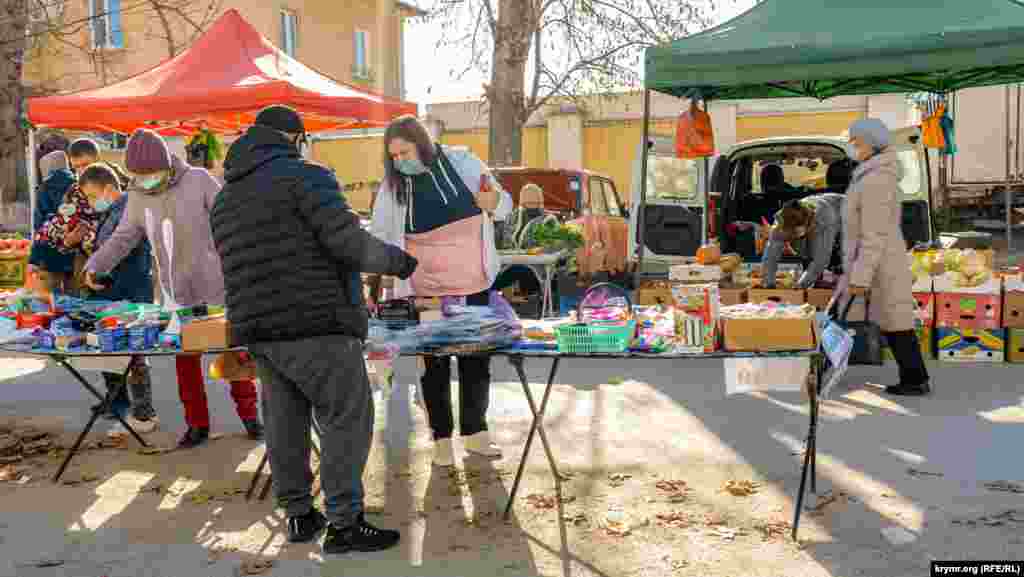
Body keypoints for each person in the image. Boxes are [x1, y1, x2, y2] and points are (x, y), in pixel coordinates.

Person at [210, 105, 418, 553]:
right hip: (316, 323)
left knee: (285, 421)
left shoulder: (227, 196)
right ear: (294, 138)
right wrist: (399, 262)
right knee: (347, 416)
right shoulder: (307, 176)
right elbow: (347, 242)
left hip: (258, 329)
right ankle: (345, 524)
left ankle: (300, 516)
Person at [82, 128, 264, 447]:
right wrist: (96, 263)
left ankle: (251, 417)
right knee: (186, 363)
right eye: (138, 175)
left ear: (166, 165)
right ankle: (197, 424)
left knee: (236, 353)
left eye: (150, 173)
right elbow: (124, 237)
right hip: (174, 294)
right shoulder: (137, 194)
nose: (145, 180)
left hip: (216, 287)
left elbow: (231, 220)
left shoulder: (198, 180)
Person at [370, 114, 512, 468]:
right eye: (395, 157)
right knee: (433, 363)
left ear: (423, 144)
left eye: (405, 152)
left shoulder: (463, 162)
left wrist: (494, 203)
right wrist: (385, 276)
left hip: (474, 281)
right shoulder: (393, 186)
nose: (401, 161)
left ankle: (476, 435)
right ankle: (442, 442)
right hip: (426, 289)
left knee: (475, 360)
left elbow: (503, 203)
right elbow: (381, 232)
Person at [841, 118, 930, 396]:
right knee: (893, 320)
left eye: (857, 142)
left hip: (881, 262)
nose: (853, 148)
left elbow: (874, 233)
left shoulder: (877, 179)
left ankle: (915, 380)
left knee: (895, 320)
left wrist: (860, 276)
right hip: (878, 260)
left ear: (873, 143)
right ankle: (915, 377)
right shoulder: (872, 174)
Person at [74, 164, 160, 435]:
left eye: (91, 195)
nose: (90, 202)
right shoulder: (115, 209)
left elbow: (119, 245)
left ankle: (143, 413)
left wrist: (96, 265)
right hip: (118, 290)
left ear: (109, 188)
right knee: (116, 351)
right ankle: (120, 404)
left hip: (131, 290)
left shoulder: (127, 208)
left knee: (134, 353)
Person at [761, 194, 846, 289]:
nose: (790, 237)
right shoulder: (782, 220)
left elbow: (821, 260)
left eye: (793, 233)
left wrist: (800, 286)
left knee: (840, 261)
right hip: (818, 220)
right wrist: (769, 284)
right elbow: (770, 256)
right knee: (807, 256)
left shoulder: (824, 219)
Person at [28, 151, 77, 294]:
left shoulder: (44, 188)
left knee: (52, 298)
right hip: (75, 250)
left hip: (50, 251)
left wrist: (35, 258)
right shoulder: (78, 184)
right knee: (75, 298)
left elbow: (39, 225)